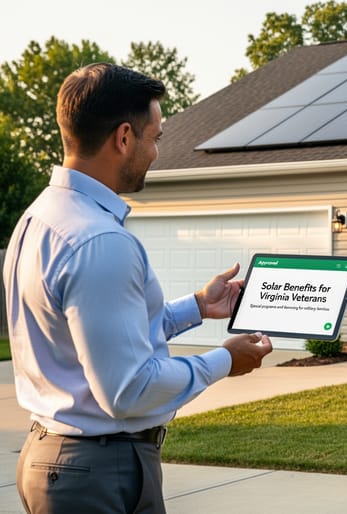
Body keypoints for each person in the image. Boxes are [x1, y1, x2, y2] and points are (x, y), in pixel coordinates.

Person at [2, 63, 274, 514]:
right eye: (156, 137)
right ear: (124, 137)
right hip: (97, 470)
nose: (155, 151)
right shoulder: (100, 239)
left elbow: (101, 339)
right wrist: (226, 359)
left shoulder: (40, 218)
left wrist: (198, 306)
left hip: (56, 458)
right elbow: (128, 389)